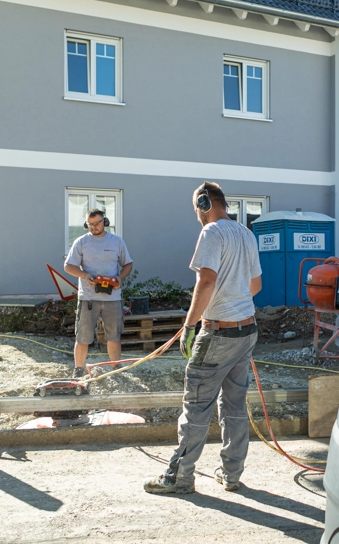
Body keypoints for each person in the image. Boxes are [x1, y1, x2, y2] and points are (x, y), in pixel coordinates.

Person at [143, 182, 262, 495]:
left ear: (204, 203)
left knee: (196, 405)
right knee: (234, 405)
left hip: (218, 333)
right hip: (246, 330)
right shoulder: (246, 234)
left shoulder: (211, 232)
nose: (197, 216)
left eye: (197, 209)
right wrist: (233, 302)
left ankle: (179, 477)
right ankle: (231, 474)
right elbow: (255, 285)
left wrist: (189, 325)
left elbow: (206, 281)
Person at [63, 209, 133, 379]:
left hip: (112, 297)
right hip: (88, 298)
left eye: (96, 223)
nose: (93, 227)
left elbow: (128, 264)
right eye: (89, 224)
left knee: (114, 335)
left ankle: (115, 368)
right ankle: (78, 369)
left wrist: (119, 278)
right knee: (83, 336)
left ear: (105, 222)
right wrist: (84, 275)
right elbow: (68, 266)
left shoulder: (117, 242)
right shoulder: (81, 242)